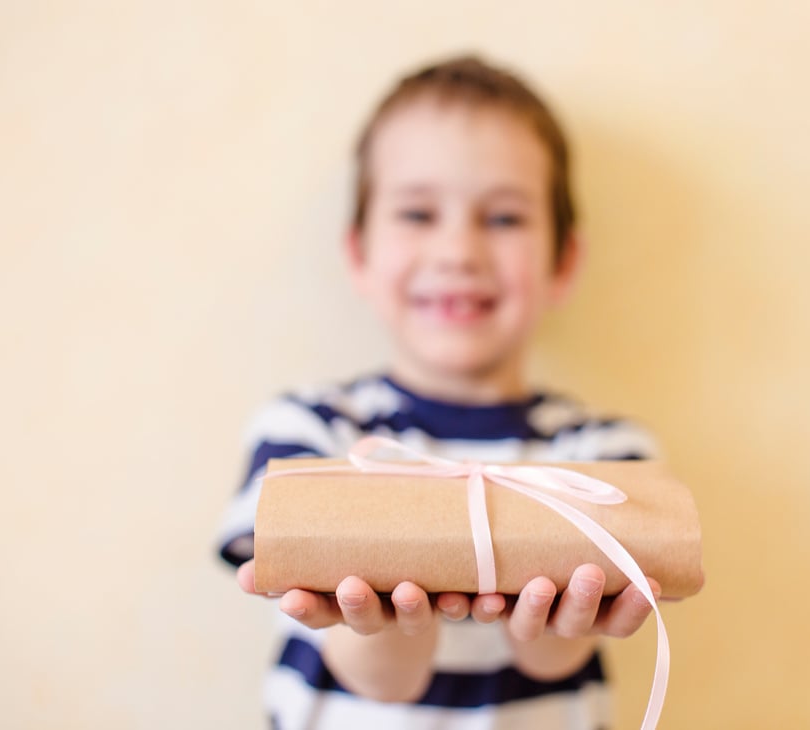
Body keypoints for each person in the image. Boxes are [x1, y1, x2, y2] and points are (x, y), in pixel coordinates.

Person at [218, 54, 666, 729]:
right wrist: (393, 619)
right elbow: (367, 669)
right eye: (418, 212)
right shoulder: (310, 435)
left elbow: (553, 658)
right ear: (359, 255)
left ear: (562, 262)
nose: (458, 250)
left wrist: (556, 618)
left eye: (505, 218)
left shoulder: (602, 458)